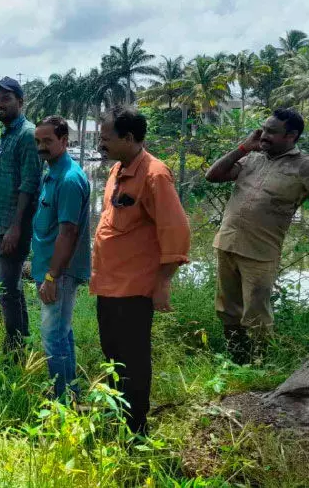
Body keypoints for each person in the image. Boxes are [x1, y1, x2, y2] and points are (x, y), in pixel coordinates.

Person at [91, 106, 190, 435]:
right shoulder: (118, 169)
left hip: (134, 288)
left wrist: (162, 284)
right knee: (112, 355)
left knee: (132, 359)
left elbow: (175, 233)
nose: (100, 143)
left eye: (106, 138)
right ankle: (117, 415)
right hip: (108, 283)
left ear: (129, 138)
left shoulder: (154, 175)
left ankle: (135, 429)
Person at [205, 108, 309, 364]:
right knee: (227, 310)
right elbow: (213, 175)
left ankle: (260, 366)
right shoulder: (252, 158)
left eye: (272, 132)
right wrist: (243, 148)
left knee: (257, 316)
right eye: (264, 129)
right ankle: (236, 359)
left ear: (292, 135)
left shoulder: (303, 166)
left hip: (260, 254)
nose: (264, 135)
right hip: (227, 244)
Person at [0, 76, 42, 354]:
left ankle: (15, 347)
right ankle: (19, 339)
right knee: (8, 289)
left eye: (6, 99)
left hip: (10, 227)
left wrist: (16, 228)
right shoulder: (7, 133)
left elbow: (30, 184)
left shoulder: (27, 134)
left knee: (7, 290)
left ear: (20, 101)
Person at [31, 116, 91, 400]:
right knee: (61, 334)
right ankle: (70, 393)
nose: (41, 147)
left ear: (65, 141)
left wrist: (52, 277)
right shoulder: (52, 171)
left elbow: (67, 233)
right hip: (49, 269)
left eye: (48, 141)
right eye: (38, 141)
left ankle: (63, 401)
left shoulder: (69, 179)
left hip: (60, 272)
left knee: (53, 338)